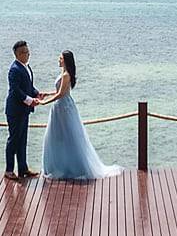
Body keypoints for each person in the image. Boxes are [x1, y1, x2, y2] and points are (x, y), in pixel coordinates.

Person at [36, 49, 118, 181]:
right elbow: (60, 90)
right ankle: (62, 166)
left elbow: (61, 94)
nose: (58, 60)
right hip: (61, 106)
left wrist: (44, 102)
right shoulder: (64, 74)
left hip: (63, 107)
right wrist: (47, 94)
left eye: (61, 58)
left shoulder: (66, 75)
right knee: (59, 136)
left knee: (67, 136)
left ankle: (70, 167)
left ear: (65, 60)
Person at [5, 39, 40, 181]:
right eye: (25, 52)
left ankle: (23, 168)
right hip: (15, 110)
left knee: (23, 140)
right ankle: (9, 170)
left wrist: (37, 94)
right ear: (18, 54)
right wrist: (30, 100)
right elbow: (16, 91)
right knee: (14, 139)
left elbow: (28, 87)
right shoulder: (14, 69)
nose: (28, 54)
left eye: (28, 51)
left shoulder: (26, 67)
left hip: (24, 110)